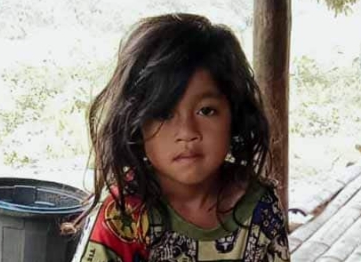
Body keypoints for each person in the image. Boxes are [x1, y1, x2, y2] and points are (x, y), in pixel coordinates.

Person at [69, 13, 290, 262]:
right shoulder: (121, 217)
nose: (187, 132)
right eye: (163, 114)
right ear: (136, 123)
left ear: (235, 116)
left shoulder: (260, 207)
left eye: (206, 111)